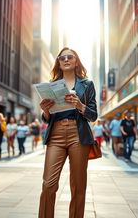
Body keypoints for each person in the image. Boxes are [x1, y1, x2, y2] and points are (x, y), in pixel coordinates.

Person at [38, 47, 97, 218]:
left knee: (78, 186)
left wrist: (79, 105)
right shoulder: (51, 85)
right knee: (48, 184)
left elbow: (93, 115)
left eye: (70, 57)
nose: (65, 59)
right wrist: (45, 110)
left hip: (78, 134)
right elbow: (46, 118)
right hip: (55, 133)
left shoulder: (87, 84)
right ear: (58, 62)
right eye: (61, 57)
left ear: (76, 60)